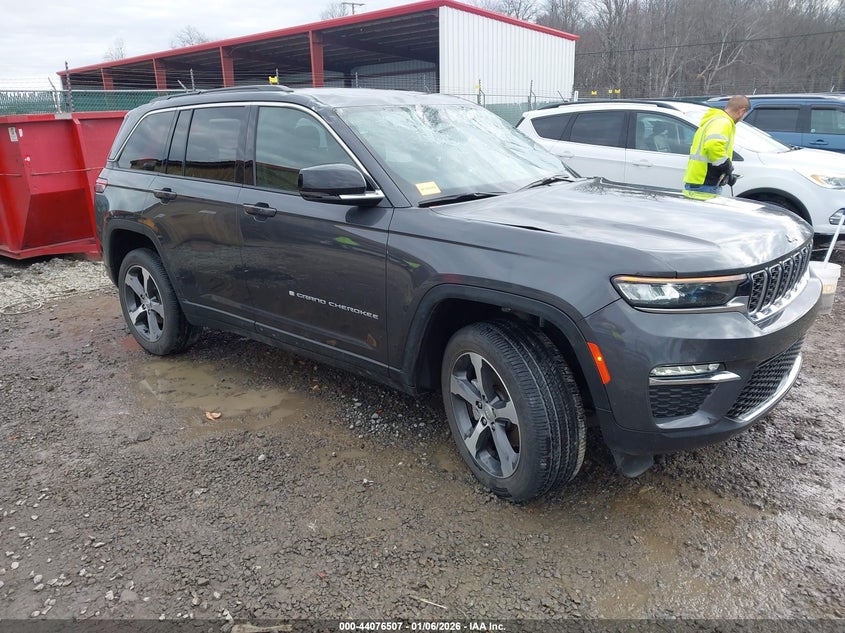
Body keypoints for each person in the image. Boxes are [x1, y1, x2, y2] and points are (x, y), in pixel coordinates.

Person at [682, 95, 750, 200]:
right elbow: (713, 145)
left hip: (699, 180)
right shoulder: (723, 122)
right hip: (706, 182)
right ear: (741, 111)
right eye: (744, 115)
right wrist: (726, 166)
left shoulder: (714, 120)